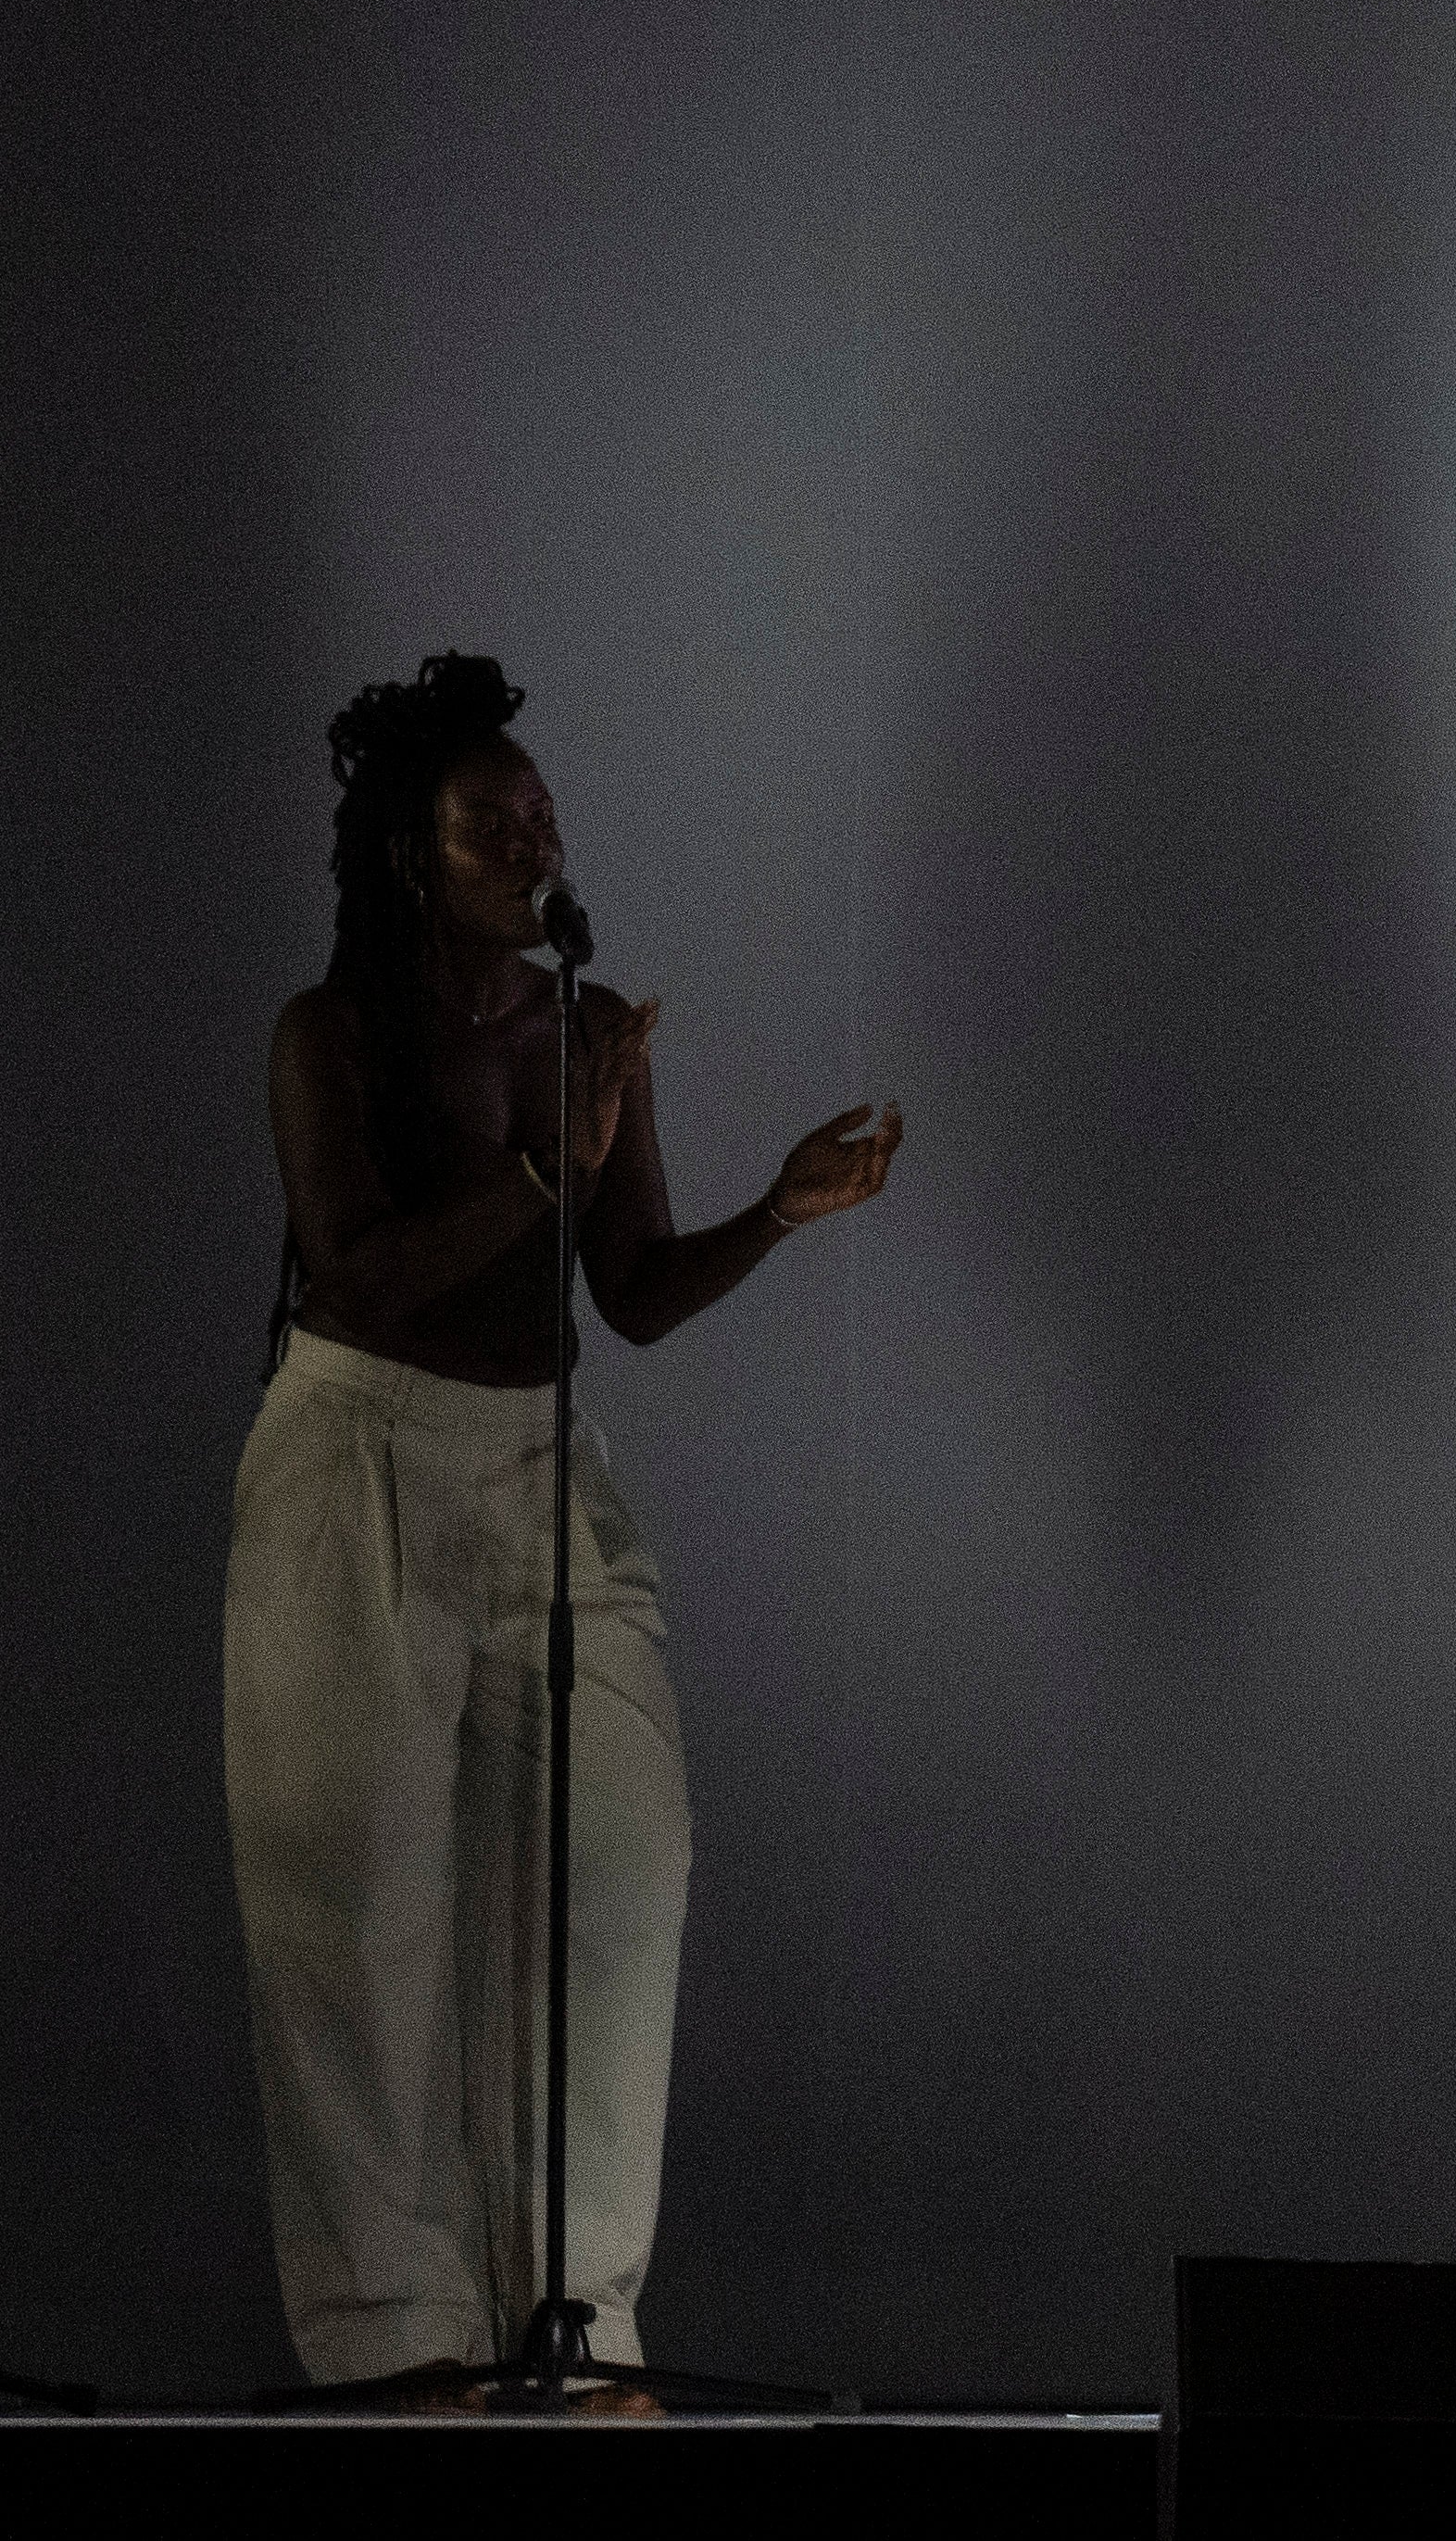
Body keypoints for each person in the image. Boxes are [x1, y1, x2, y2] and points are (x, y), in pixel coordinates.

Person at [226, 652, 902, 2389]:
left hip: (536, 1455)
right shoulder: (333, 1033)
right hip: (356, 1452)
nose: (533, 842)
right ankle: (395, 2338)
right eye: (490, 822)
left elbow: (633, 1292)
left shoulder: (582, 1030)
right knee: (358, 1907)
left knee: (620, 1866)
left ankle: (577, 2324)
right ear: (408, 852)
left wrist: (778, 1207)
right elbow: (354, 1274)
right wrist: (543, 1169)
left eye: (541, 813)